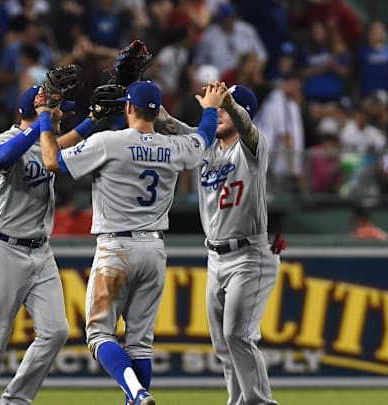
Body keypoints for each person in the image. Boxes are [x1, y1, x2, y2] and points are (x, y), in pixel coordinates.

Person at [39, 80, 226, 405]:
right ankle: (136, 396)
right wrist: (210, 109)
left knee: (99, 335)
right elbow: (205, 137)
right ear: (158, 112)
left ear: (128, 107)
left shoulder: (109, 142)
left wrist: (46, 118)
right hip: (154, 249)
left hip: (116, 248)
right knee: (140, 344)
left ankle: (137, 393)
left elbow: (52, 161)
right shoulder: (175, 146)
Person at [154, 83, 282, 405]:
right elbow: (166, 123)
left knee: (238, 334)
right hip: (215, 256)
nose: (221, 112)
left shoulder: (253, 148)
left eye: (229, 107)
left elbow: (247, 129)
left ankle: (260, 403)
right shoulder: (205, 146)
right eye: (220, 107)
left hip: (249, 255)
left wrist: (227, 103)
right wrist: (138, 94)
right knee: (225, 346)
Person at [0, 80, 98, 404]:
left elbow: (66, 145)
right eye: (57, 109)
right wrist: (42, 121)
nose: (61, 115)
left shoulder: (47, 143)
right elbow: (4, 158)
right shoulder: (4, 139)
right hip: (2, 247)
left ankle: (17, 399)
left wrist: (93, 121)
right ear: (38, 111)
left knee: (56, 330)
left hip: (40, 251)